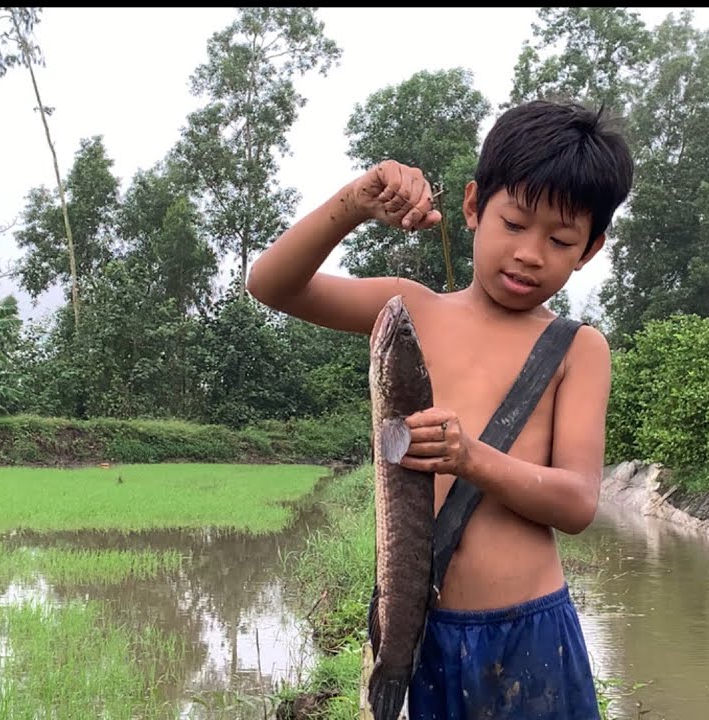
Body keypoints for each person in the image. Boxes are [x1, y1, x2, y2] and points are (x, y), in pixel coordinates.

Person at [246, 98, 634, 718]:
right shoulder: (410, 312)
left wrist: (472, 459)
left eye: (560, 239)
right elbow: (271, 284)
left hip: (533, 635)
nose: (531, 253)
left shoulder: (579, 350)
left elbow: (577, 502)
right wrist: (353, 204)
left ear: (589, 250)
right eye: (514, 224)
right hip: (421, 636)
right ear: (474, 206)